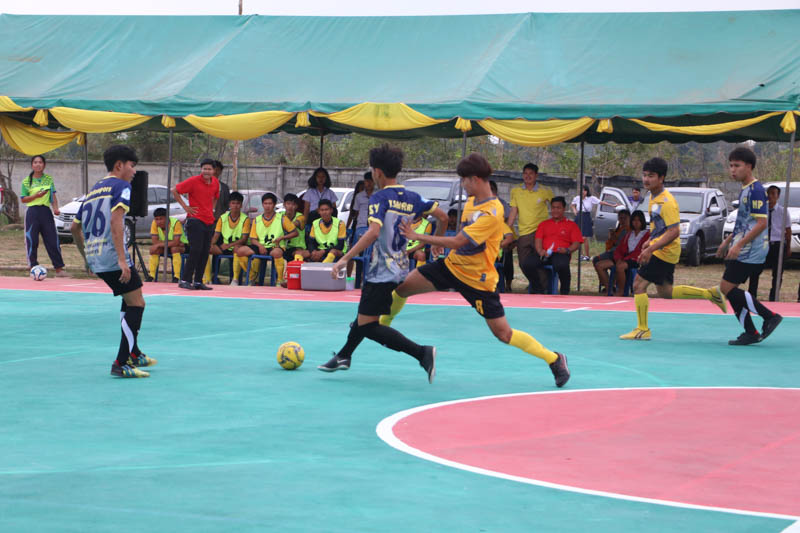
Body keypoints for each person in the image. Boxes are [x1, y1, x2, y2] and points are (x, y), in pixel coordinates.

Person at [378, 153, 570, 388]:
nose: (462, 184)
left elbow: (458, 240)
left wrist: (418, 236)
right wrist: (438, 242)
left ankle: (554, 359)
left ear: (476, 179)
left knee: (504, 334)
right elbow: (462, 238)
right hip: (452, 266)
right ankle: (382, 328)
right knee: (402, 288)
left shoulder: (492, 212)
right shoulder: (471, 202)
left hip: (478, 281)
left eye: (464, 180)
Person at [319, 144, 446, 380]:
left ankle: (422, 353)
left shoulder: (380, 197)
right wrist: (437, 241)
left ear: (377, 172)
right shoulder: (413, 197)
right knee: (363, 316)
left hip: (381, 271)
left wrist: (345, 258)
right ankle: (344, 355)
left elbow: (373, 232)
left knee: (367, 325)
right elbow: (443, 217)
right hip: (401, 268)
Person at [70, 145, 156, 378]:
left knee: (130, 299)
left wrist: (86, 257)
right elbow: (116, 221)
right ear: (119, 165)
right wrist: (122, 259)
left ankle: (134, 353)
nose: (134, 171)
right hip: (112, 256)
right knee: (137, 304)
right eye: (132, 166)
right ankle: (121, 362)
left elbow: (75, 227)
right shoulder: (121, 186)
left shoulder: (94, 190)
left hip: (96, 256)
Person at [620, 158, 727, 341]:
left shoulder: (667, 202)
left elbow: (674, 231)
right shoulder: (653, 197)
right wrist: (649, 241)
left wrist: (651, 249)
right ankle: (710, 294)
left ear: (661, 178)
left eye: (651, 176)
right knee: (666, 292)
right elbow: (660, 227)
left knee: (638, 285)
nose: (646, 179)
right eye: (644, 175)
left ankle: (642, 329)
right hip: (662, 250)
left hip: (664, 252)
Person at [712, 147, 782, 345]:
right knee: (729, 289)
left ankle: (769, 316)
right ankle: (751, 332)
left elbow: (761, 223)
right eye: (731, 165)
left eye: (737, 165)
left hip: (751, 249)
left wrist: (738, 245)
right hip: (742, 247)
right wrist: (727, 242)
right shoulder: (745, 189)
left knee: (726, 288)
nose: (732, 170)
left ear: (749, 166)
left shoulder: (756, 190)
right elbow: (744, 222)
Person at [172, 159, 219, 290]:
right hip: (195, 220)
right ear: (201, 169)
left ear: (214, 171)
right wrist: (185, 207)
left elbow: (216, 196)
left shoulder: (215, 182)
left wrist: (212, 209)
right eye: (204, 168)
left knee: (205, 251)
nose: (206, 171)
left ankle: (198, 281)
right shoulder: (193, 181)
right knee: (196, 250)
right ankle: (185, 279)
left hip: (208, 220)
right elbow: (174, 190)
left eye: (209, 169)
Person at [522, 197, 583, 295]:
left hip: (561, 253)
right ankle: (538, 289)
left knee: (562, 265)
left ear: (564, 209)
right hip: (544, 253)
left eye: (558, 208)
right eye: (553, 208)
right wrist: (540, 251)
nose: (555, 210)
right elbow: (538, 240)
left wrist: (567, 250)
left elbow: (577, 243)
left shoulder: (571, 225)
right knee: (527, 264)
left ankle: (564, 292)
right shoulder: (543, 224)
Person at [507, 163, 553, 293]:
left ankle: (543, 289)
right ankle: (537, 286)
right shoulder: (516, 191)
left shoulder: (545, 191)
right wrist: (506, 228)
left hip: (541, 233)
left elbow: (556, 206)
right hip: (524, 233)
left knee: (539, 262)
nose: (528, 176)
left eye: (531, 173)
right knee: (523, 264)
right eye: (525, 173)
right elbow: (513, 211)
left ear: (536, 175)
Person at [20, 155, 67, 277]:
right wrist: (36, 196)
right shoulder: (26, 181)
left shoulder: (48, 179)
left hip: (45, 212)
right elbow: (23, 199)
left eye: (40, 162)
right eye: (35, 162)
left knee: (52, 240)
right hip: (32, 212)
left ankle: (59, 269)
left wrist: (55, 208)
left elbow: (53, 196)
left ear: (44, 165)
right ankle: (33, 267)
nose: (38, 164)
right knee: (32, 240)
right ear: (32, 165)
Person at [239, 192, 297, 284]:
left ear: (274, 205)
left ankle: (280, 280)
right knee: (240, 251)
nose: (267, 206)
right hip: (260, 246)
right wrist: (260, 246)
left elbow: (295, 233)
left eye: (270, 203)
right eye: (265, 203)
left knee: (276, 253)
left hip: (276, 246)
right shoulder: (257, 219)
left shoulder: (282, 218)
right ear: (262, 204)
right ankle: (252, 275)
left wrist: (282, 237)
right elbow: (253, 239)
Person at [747, 185, 791, 301]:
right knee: (755, 270)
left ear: (778, 196)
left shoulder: (783, 211)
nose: (770, 196)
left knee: (777, 274)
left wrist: (788, 247)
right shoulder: (761, 210)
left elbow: (788, 230)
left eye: (773, 194)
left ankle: (773, 297)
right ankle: (752, 296)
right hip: (762, 244)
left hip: (777, 245)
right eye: (769, 193)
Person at [209, 191, 251, 285]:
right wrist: (211, 244)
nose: (235, 206)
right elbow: (216, 235)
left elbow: (244, 239)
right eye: (233, 203)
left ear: (241, 205)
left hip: (237, 246)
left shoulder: (245, 219)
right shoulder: (222, 218)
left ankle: (235, 279)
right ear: (229, 204)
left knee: (236, 249)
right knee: (207, 248)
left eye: (238, 203)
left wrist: (229, 245)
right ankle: (208, 279)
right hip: (225, 247)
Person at [571, 185, 619, 261]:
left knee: (584, 237)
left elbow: (601, 202)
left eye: (584, 190)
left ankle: (587, 255)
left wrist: (612, 205)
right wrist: (574, 210)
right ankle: (581, 255)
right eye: (581, 190)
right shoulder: (577, 198)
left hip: (586, 217)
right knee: (578, 236)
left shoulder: (591, 198)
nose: (583, 192)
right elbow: (572, 205)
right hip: (579, 216)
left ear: (587, 191)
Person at [610, 210, 649, 297]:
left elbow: (642, 250)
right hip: (626, 258)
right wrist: (618, 258)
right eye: (634, 220)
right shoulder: (629, 234)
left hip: (638, 259)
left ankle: (621, 291)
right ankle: (611, 289)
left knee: (620, 267)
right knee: (617, 264)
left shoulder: (646, 234)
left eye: (638, 220)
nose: (636, 222)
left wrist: (625, 259)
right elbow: (620, 248)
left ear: (642, 221)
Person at [593, 209, 630, 293]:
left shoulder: (628, 230)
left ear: (629, 218)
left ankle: (609, 287)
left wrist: (613, 236)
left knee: (597, 261)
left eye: (625, 218)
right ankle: (608, 284)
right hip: (613, 252)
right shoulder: (620, 228)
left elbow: (619, 244)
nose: (622, 220)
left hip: (619, 255)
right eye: (620, 218)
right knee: (596, 260)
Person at [148, 207, 186, 283]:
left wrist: (159, 244)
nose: (158, 221)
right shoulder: (154, 223)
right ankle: (151, 276)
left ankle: (176, 277)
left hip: (183, 246)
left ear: (167, 217)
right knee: (153, 250)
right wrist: (162, 244)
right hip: (167, 246)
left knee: (174, 248)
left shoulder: (176, 223)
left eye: (161, 219)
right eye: (157, 219)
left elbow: (176, 243)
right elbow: (154, 242)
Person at [491, 180, 515, 291]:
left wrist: (499, 245)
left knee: (507, 255)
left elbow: (510, 238)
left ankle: (507, 284)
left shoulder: (502, 205)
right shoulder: (477, 203)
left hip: (497, 251)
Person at [308, 199, 346, 263]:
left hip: (337, 251)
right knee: (301, 253)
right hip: (320, 250)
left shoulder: (340, 223)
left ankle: (323, 267)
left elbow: (340, 246)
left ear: (331, 210)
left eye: (326, 209)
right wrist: (313, 251)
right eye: (322, 210)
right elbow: (311, 243)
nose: (324, 212)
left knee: (333, 252)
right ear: (318, 211)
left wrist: (323, 251)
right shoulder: (315, 223)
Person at [281, 193, 310, 262]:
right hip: (282, 246)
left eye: (293, 204)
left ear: (296, 206)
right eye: (288, 204)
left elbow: (293, 225)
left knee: (298, 254)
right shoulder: (279, 215)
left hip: (297, 247)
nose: (290, 206)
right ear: (284, 205)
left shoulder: (301, 217)